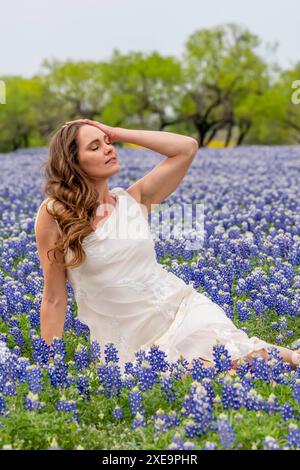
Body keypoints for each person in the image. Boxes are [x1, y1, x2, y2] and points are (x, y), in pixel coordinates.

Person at [34, 118, 300, 374]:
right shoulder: (55, 215)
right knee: (200, 373)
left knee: (234, 355)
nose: (108, 149)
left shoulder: (134, 199)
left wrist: (116, 132)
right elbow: (55, 297)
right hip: (127, 341)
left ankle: (290, 358)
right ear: (74, 161)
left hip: (181, 310)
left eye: (107, 142)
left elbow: (186, 148)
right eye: (95, 147)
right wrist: (49, 365)